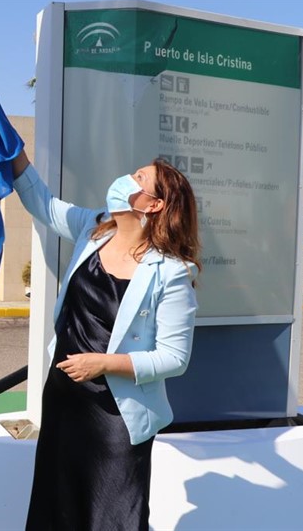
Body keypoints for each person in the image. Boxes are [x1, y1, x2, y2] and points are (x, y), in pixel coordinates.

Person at [11, 150, 201, 530]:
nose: (126, 179)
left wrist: (103, 364)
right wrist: (14, 153)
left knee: (113, 516)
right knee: (58, 507)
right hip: (65, 397)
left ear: (154, 204)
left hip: (117, 414)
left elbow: (174, 357)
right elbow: (44, 205)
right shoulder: (94, 227)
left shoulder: (172, 273)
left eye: (139, 178)